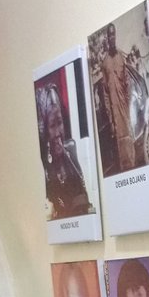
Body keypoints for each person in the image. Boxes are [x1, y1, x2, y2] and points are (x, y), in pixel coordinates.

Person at [37, 82, 92, 220]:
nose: (58, 133)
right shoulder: (40, 168)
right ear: (43, 130)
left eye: (60, 122)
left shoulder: (71, 154)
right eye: (52, 125)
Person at [99, 23, 136, 172]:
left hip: (125, 114)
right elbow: (105, 94)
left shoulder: (122, 58)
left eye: (113, 34)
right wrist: (110, 118)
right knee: (120, 159)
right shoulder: (105, 64)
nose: (112, 38)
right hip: (114, 119)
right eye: (109, 35)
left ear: (116, 36)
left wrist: (129, 109)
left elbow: (128, 85)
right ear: (107, 39)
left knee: (129, 152)